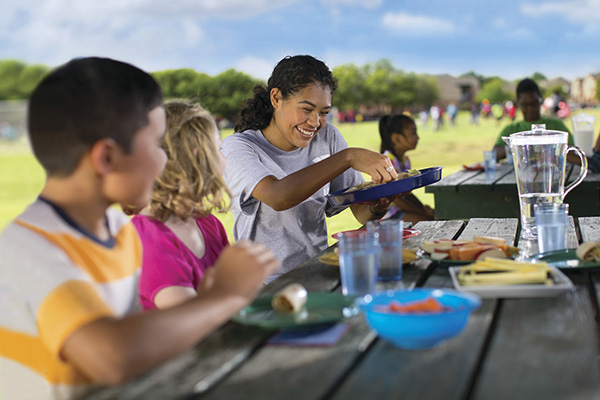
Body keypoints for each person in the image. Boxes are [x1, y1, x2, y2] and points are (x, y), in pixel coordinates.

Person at [0, 57, 279, 399]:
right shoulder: (32, 250)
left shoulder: (115, 234)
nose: (166, 161)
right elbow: (113, 356)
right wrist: (226, 294)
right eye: (156, 144)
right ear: (107, 158)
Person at [222, 55, 398, 281]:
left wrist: (380, 204)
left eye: (324, 113)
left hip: (317, 272)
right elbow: (278, 196)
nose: (315, 122)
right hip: (264, 284)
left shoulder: (328, 136)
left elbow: (361, 213)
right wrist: (348, 157)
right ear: (276, 98)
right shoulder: (239, 147)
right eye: (306, 109)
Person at [126, 100, 231, 310]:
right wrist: (241, 284)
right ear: (197, 156)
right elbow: (190, 318)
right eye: (219, 149)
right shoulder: (147, 240)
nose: (224, 159)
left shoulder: (209, 224)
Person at [492, 78, 574, 160]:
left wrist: (550, 150)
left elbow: (573, 152)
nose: (530, 108)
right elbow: (494, 154)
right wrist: (521, 146)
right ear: (518, 104)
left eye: (533, 103)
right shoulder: (511, 130)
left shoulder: (556, 126)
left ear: (540, 101)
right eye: (525, 104)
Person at [378, 114, 435, 223]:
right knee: (430, 222)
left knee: (432, 219)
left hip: (400, 211)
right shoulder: (387, 162)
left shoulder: (404, 160)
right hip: (389, 216)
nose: (418, 137)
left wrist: (422, 209)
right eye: (413, 133)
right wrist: (422, 213)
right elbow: (396, 199)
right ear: (397, 138)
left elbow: (406, 194)